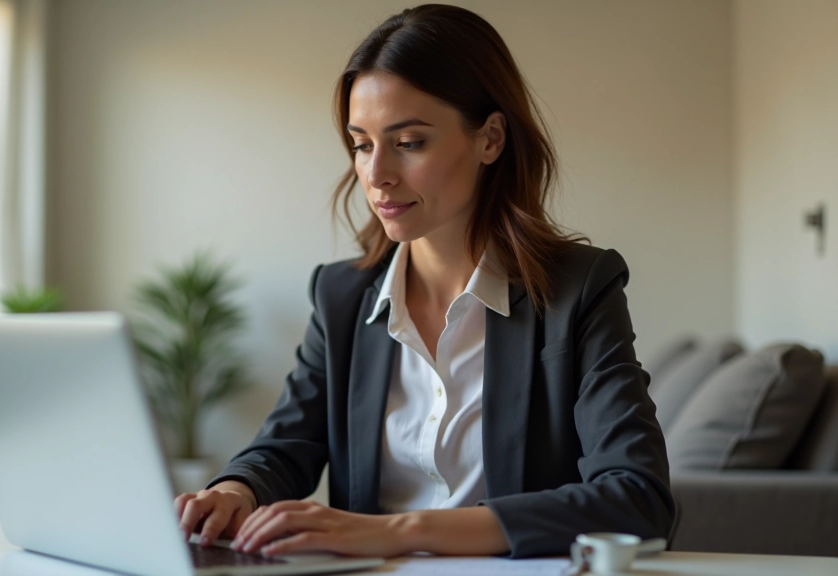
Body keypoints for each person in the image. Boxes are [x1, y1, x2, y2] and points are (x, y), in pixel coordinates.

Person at [174, 3, 674, 559]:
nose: (377, 173)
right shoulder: (341, 297)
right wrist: (233, 491)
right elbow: (287, 444)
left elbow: (638, 499)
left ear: (489, 139)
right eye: (362, 143)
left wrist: (401, 532)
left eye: (409, 142)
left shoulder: (576, 292)